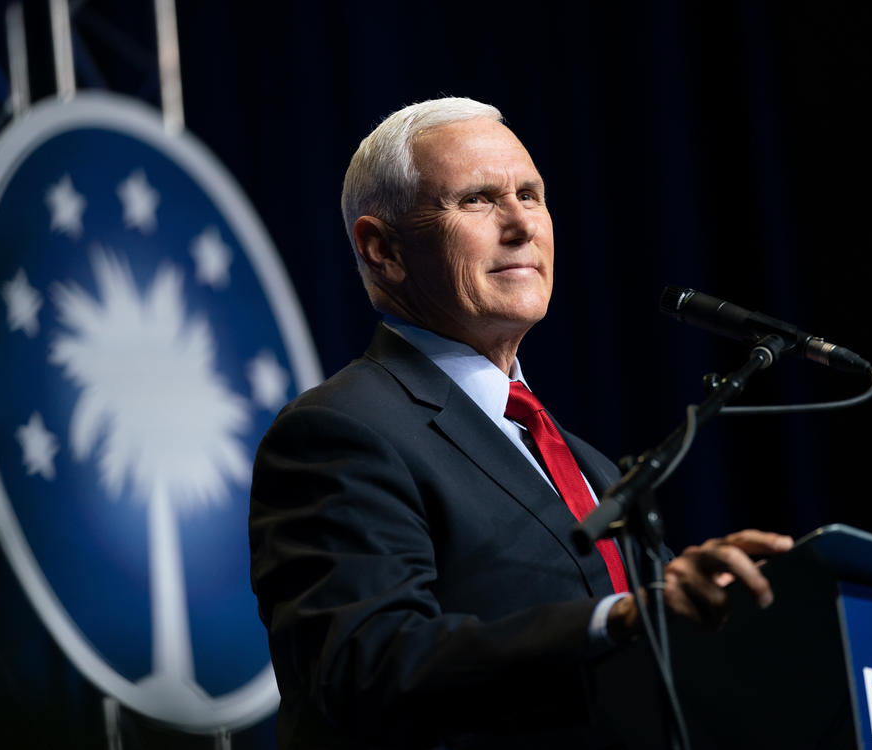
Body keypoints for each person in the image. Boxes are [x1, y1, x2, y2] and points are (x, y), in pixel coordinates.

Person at [249, 97, 793, 749]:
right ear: (382, 248)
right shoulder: (341, 431)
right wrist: (617, 619)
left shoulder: (586, 464)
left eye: (531, 196)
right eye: (479, 199)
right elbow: (368, 666)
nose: (521, 225)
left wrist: (713, 608)